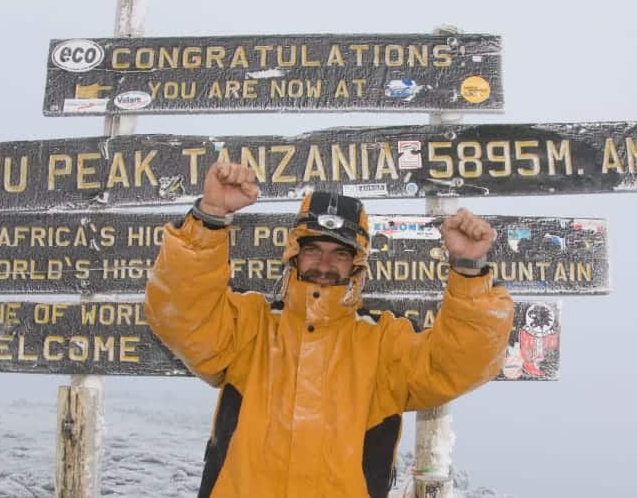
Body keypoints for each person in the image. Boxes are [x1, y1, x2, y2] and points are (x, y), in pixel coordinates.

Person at [144, 162, 514, 498]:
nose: (325, 263)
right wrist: (210, 217)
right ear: (293, 254)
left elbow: (460, 362)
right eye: (313, 249)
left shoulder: (384, 343)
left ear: (357, 263)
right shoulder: (249, 326)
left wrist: (469, 268)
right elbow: (180, 312)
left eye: (340, 253)